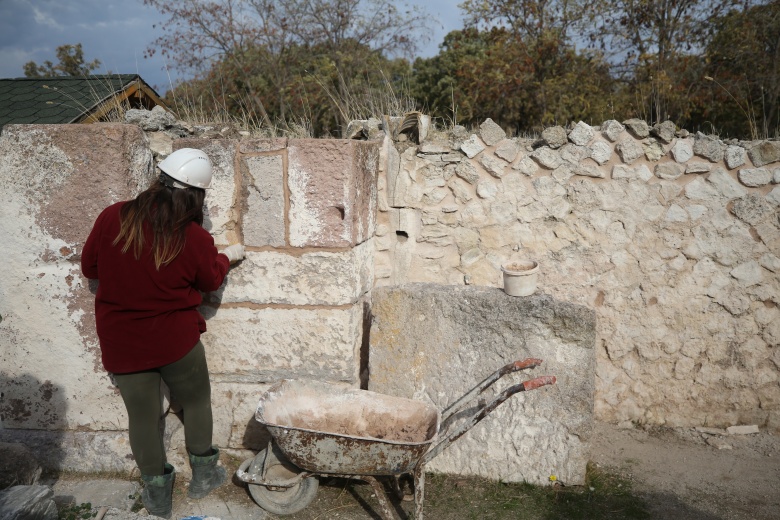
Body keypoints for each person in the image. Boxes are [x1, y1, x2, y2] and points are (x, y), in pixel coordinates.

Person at [81, 148, 245, 518]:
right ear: (196, 195)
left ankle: (157, 497)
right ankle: (204, 475)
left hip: (122, 341)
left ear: (159, 179)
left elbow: (90, 267)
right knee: (197, 401)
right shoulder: (195, 238)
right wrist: (226, 256)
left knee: (142, 418)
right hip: (176, 340)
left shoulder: (112, 217)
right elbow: (210, 279)